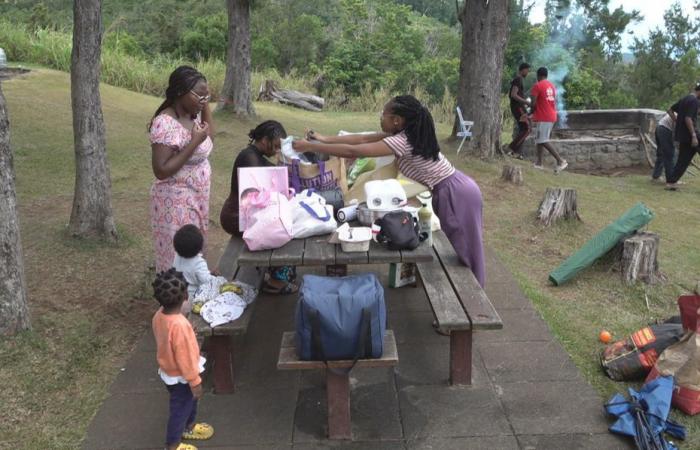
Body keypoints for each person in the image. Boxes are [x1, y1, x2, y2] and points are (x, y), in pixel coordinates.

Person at [293, 95, 486, 288]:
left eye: (383, 114)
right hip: (455, 188)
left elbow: (354, 151)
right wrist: (323, 139)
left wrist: (310, 146)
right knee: (462, 246)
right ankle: (473, 293)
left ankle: (478, 301)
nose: (380, 118)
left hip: (455, 193)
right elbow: (361, 138)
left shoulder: (402, 142)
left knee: (468, 251)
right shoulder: (404, 135)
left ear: (397, 120)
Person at [219, 120, 298, 294]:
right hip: (235, 216)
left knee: (282, 224)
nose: (277, 151)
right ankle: (277, 282)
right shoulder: (249, 157)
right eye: (276, 146)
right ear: (264, 140)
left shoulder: (255, 156)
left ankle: (276, 274)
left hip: (242, 214)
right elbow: (262, 191)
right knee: (281, 232)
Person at [149, 66, 214, 273]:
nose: (204, 101)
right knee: (178, 258)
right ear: (179, 92)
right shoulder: (164, 123)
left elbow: (209, 137)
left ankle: (192, 295)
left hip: (197, 197)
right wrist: (193, 142)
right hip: (175, 203)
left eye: (207, 96)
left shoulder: (192, 116)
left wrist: (203, 105)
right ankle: (174, 302)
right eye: (199, 96)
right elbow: (161, 170)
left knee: (193, 251)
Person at [152, 268, 214, 450]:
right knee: (179, 409)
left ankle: (190, 427)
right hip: (182, 377)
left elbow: (169, 340)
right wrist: (195, 382)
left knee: (187, 404)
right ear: (186, 295)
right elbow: (185, 358)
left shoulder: (159, 316)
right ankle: (173, 445)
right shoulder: (179, 325)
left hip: (169, 372)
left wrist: (189, 336)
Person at [530, 67, 567, 173]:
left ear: (538, 76)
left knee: (543, 140)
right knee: (539, 139)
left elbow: (533, 104)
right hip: (551, 115)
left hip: (544, 116)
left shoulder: (537, 86)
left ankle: (560, 161)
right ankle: (539, 163)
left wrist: (530, 113)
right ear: (546, 75)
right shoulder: (551, 86)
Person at [173, 224, 216, 310]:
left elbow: (189, 272)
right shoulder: (198, 263)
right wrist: (215, 278)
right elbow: (207, 281)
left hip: (178, 296)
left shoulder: (177, 256)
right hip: (193, 299)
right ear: (200, 247)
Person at [666, 84, 700, 190]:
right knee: (682, 161)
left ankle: (671, 183)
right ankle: (671, 182)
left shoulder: (685, 99)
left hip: (683, 136)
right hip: (692, 136)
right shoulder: (694, 101)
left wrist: (677, 122)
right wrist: (694, 135)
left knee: (682, 161)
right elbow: (688, 118)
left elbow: (669, 110)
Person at [507, 63, 532, 158]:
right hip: (518, 107)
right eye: (527, 70)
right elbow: (513, 94)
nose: (528, 72)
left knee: (523, 129)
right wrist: (526, 102)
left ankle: (515, 152)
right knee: (527, 129)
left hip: (519, 107)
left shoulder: (518, 80)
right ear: (522, 70)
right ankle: (511, 148)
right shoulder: (518, 79)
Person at [651, 110, 677, 182]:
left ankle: (656, 177)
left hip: (660, 127)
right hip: (665, 130)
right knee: (669, 155)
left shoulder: (682, 110)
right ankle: (671, 179)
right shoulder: (685, 114)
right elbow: (677, 130)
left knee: (662, 154)